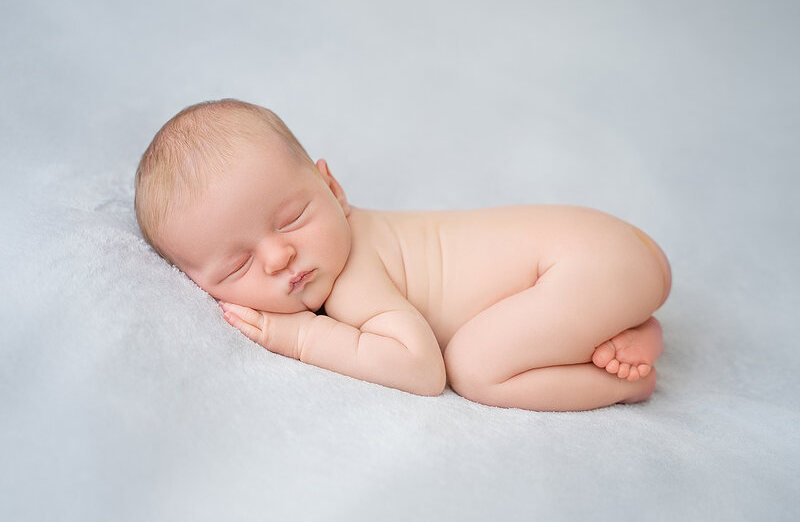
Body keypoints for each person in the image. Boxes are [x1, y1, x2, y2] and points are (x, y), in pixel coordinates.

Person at [135, 99, 671, 412]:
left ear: (334, 189)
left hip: (584, 262)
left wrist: (298, 336)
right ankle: (626, 327)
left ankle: (626, 384)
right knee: (505, 337)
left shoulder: (354, 273)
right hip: (602, 258)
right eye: (238, 266)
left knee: (475, 367)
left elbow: (419, 369)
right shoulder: (336, 250)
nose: (279, 256)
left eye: (292, 218)